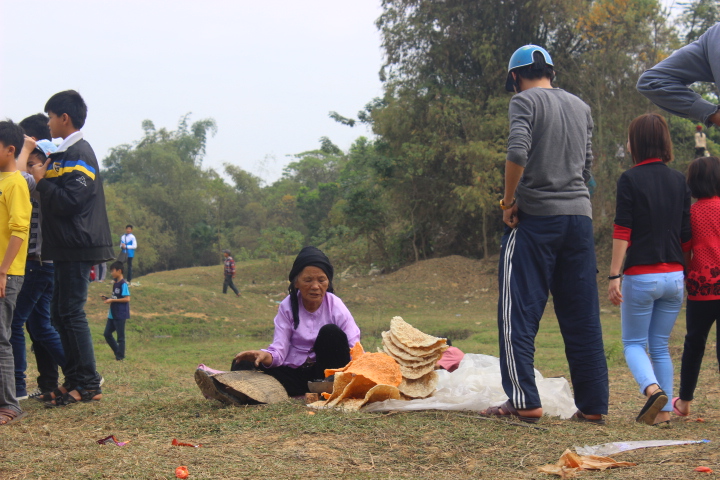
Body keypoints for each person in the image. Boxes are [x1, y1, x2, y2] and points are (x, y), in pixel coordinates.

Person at [482, 45, 609, 425]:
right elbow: (587, 169)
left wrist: (508, 201)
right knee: (582, 314)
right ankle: (592, 406)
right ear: (551, 72)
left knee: (516, 311)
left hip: (537, 220)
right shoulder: (580, 106)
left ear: (514, 78)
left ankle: (524, 400)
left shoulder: (525, 102)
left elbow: (517, 151)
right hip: (579, 221)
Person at [29, 90, 114, 406]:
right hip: (64, 246)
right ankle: (74, 380)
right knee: (59, 312)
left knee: (71, 312)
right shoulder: (63, 154)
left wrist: (42, 180)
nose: (48, 123)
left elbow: (71, 201)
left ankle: (89, 383)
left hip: (78, 245)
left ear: (64, 118)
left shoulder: (80, 152)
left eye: (50, 117)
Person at [607, 114, 691, 426]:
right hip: (674, 277)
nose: (627, 144)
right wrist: (686, 273)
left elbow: (622, 229)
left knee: (632, 344)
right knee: (659, 345)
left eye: (629, 139)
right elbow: (686, 234)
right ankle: (665, 412)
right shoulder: (679, 180)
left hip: (641, 276)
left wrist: (614, 274)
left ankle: (652, 390)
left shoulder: (629, 179)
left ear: (638, 143)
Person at [222, 246, 360, 397]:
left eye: (321, 280)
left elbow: (354, 348)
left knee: (331, 332)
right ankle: (236, 391)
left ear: (328, 282)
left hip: (327, 375)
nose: (315, 286)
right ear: (296, 283)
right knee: (242, 362)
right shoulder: (287, 306)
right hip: (296, 375)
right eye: (308, 280)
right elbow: (279, 351)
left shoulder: (336, 305)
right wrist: (262, 355)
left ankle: (328, 388)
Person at [10, 125, 67, 401]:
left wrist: (25, 148)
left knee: (14, 324)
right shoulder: (47, 183)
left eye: (34, 162)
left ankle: (17, 387)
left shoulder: (34, 182)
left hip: (36, 262)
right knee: (41, 325)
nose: (29, 166)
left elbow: (16, 176)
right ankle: (82, 373)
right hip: (46, 264)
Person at [673, 156, 720, 418]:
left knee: (694, 344)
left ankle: (685, 402)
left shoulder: (690, 213)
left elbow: (685, 251)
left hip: (701, 289)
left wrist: (688, 273)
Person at [0, 120, 32, 426]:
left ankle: (9, 405)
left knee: (1, 338)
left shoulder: (16, 184)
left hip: (6, 273)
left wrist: (3, 271)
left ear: (10, 150)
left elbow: (19, 231)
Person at [637, 23, 720, 127]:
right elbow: (652, 81)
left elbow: (651, 81)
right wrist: (711, 113)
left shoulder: (714, 37)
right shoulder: (714, 38)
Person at [102, 261, 130, 361]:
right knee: (107, 334)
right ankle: (118, 352)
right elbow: (116, 297)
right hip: (112, 314)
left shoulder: (123, 284)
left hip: (120, 314)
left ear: (119, 271)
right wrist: (108, 298)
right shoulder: (115, 283)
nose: (111, 273)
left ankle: (120, 357)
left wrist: (112, 300)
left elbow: (127, 299)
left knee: (120, 337)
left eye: (113, 271)